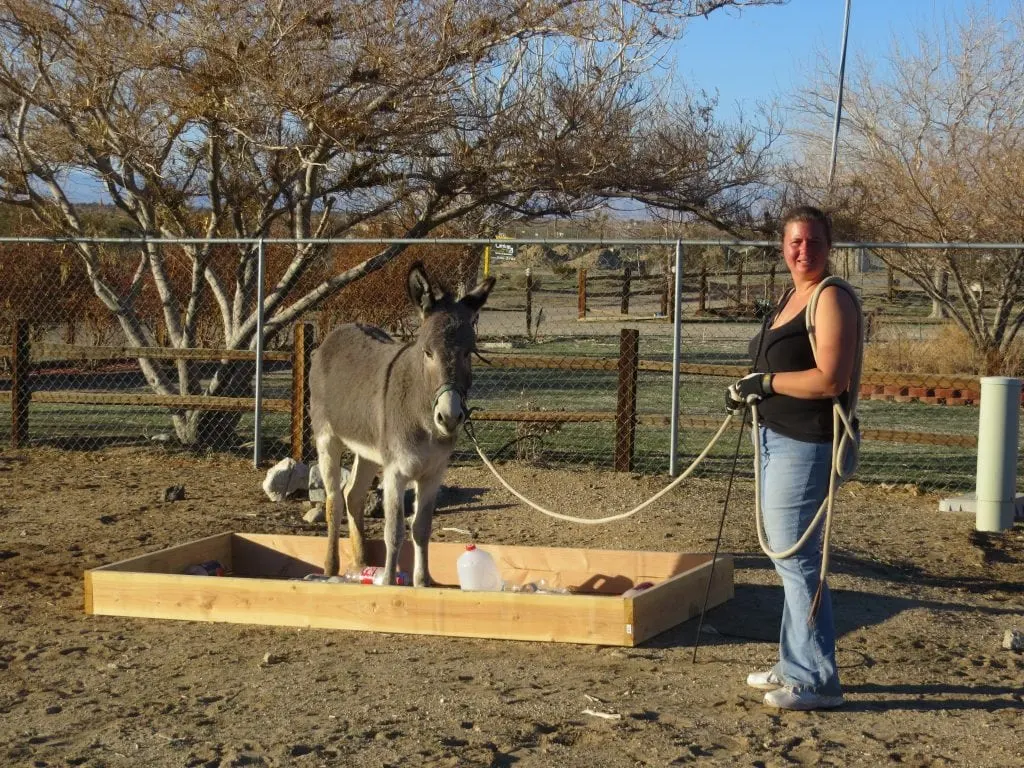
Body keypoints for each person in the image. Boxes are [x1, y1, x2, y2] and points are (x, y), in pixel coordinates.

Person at [725, 205, 862, 711]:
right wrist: (748, 391)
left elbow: (831, 379)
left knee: (796, 558)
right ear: (783, 246)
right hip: (774, 437)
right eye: (794, 242)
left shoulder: (830, 298)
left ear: (829, 245)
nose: (802, 250)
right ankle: (793, 663)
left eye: (812, 241)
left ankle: (818, 680)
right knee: (785, 557)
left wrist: (766, 383)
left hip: (807, 443)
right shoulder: (790, 295)